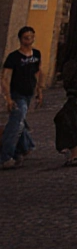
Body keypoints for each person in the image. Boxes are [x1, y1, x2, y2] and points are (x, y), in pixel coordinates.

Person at [1, 27, 42, 169]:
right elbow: (5, 78)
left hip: (29, 93)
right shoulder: (14, 57)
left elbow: (37, 73)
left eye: (31, 37)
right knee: (15, 124)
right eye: (26, 37)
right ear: (20, 39)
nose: (29, 40)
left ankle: (24, 148)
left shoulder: (36, 54)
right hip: (17, 94)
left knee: (19, 121)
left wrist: (39, 91)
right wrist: (8, 98)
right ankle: (5, 156)